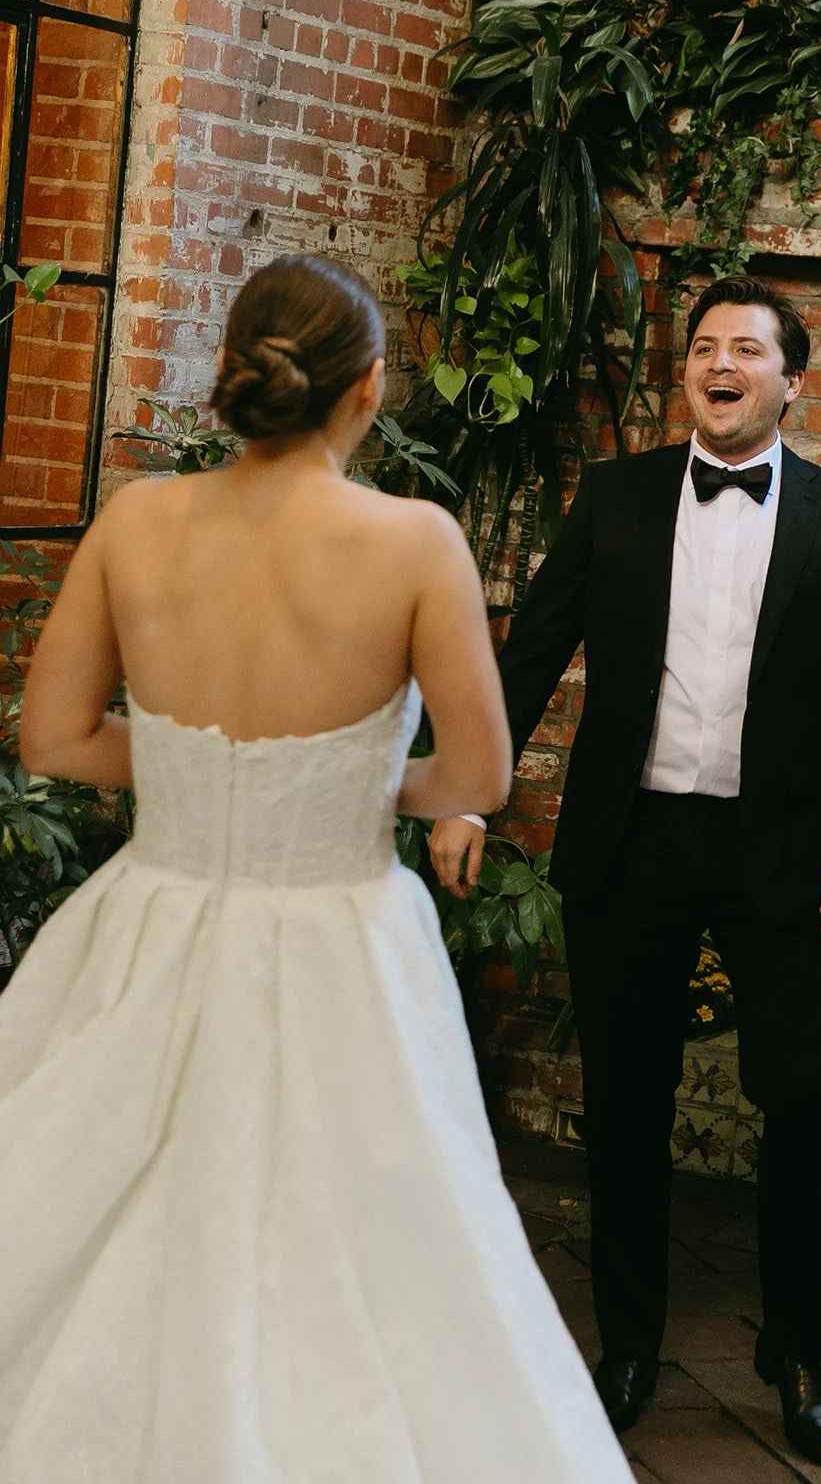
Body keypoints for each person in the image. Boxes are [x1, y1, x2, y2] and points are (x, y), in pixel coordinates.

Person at [0, 255, 634, 1484]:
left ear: (241, 368)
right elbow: (477, 777)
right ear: (370, 389)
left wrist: (203, 778)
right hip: (341, 942)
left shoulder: (135, 518)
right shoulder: (412, 541)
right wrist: (347, 782)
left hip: (149, 922)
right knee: (376, 1248)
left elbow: (56, 737)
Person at [430, 276, 821, 1470]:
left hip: (785, 856)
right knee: (626, 1108)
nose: (718, 362)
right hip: (631, 846)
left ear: (788, 382)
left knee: (799, 1103)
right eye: (702, 345)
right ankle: (628, 1344)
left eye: (745, 349)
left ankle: (797, 1354)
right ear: (687, 375)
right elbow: (528, 658)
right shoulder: (612, 498)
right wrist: (463, 791)